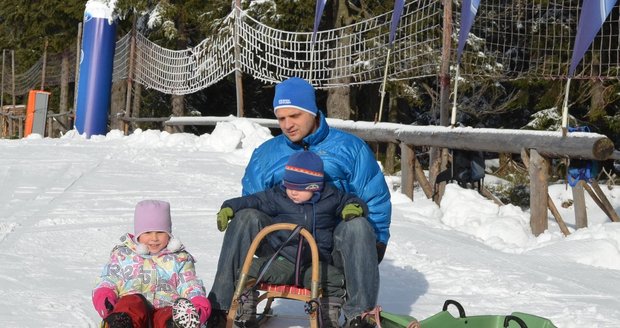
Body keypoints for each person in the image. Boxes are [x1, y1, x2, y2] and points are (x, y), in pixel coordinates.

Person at [208, 77, 391, 328]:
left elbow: (374, 198)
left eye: (294, 116)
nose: (287, 125)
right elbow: (254, 201)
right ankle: (222, 306)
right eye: (281, 118)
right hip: (281, 246)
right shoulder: (266, 153)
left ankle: (360, 316)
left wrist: (375, 243)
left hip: (331, 247)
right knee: (246, 216)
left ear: (312, 111)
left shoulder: (350, 149)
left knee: (358, 226)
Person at [217, 151, 368, 327]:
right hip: (282, 260)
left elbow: (351, 200)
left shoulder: (331, 197)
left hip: (315, 264)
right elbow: (254, 200)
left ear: (314, 186)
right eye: (289, 186)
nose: (292, 192)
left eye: (298, 188)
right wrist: (229, 208)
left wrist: (353, 208)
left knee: (335, 279)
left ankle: (328, 316)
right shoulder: (278, 196)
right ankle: (246, 312)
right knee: (247, 269)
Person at [92, 200, 211, 328]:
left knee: (169, 313)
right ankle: (121, 323)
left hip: (164, 308)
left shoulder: (179, 259)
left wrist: (197, 305)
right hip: (134, 316)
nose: (154, 238)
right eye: (148, 232)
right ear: (138, 234)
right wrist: (105, 298)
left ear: (169, 234)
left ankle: (177, 324)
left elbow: (190, 285)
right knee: (130, 302)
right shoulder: (123, 256)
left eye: (160, 232)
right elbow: (109, 279)